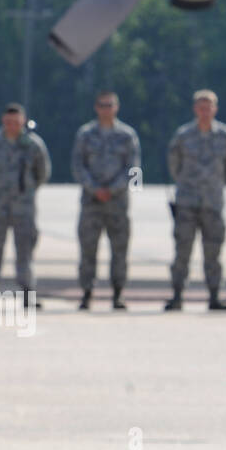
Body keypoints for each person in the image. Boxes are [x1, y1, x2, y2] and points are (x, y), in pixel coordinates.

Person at [166, 89, 226, 311]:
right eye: (201, 107)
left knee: (213, 253)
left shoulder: (225, 136)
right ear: (195, 109)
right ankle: (177, 296)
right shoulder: (183, 135)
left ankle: (214, 297)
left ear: (215, 109)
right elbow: (173, 166)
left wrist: (213, 186)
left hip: (212, 204)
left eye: (208, 107)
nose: (205, 111)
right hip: (187, 204)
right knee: (182, 251)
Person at [0, 103, 50, 307]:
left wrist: (26, 192)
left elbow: (42, 173)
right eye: (8, 122)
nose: (12, 126)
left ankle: (27, 293)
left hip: (23, 208)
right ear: (3, 121)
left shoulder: (33, 145)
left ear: (23, 121)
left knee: (25, 252)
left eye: (16, 122)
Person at [72, 91, 141, 310]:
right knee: (88, 250)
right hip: (91, 202)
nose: (106, 109)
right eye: (102, 105)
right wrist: (94, 188)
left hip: (117, 203)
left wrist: (112, 189)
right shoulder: (85, 134)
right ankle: (87, 293)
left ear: (116, 107)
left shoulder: (127, 135)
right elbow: (77, 165)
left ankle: (118, 294)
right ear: (96, 107)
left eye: (109, 105)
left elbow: (134, 169)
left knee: (119, 250)